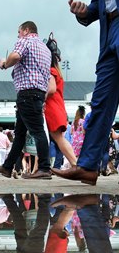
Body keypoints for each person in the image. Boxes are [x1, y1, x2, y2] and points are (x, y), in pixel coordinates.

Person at [52, 0, 119, 185]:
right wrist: (84, 11)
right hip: (109, 30)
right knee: (101, 100)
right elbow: (97, 6)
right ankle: (88, 166)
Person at [0, 21, 52, 180]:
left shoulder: (25, 41)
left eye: (19, 32)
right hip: (38, 93)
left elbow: (15, 55)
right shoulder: (45, 49)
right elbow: (47, 76)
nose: (18, 35)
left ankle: (44, 168)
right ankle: (7, 167)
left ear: (26, 30)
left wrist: (4, 64)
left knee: (38, 131)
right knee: (19, 133)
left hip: (27, 93)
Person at [43, 35, 77, 169]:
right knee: (57, 139)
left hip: (52, 109)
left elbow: (51, 89)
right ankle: (75, 164)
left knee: (57, 139)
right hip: (58, 107)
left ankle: (75, 164)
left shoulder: (51, 71)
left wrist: (41, 98)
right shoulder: (58, 72)